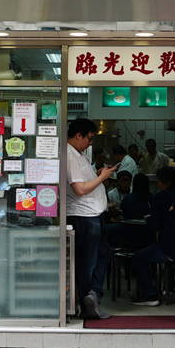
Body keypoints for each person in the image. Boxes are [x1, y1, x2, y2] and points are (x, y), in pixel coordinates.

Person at [66, 117, 116, 320]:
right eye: (89, 138)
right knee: (87, 262)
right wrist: (102, 178)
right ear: (78, 135)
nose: (91, 142)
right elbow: (79, 189)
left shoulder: (78, 154)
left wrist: (97, 174)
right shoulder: (70, 156)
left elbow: (84, 182)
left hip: (93, 215)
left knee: (102, 254)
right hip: (84, 216)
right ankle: (87, 302)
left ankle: (92, 294)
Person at [131, 166, 175, 306]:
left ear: (160, 183)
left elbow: (154, 226)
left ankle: (150, 295)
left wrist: (148, 219)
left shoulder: (160, 197)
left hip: (170, 248)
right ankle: (169, 288)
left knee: (139, 257)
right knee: (170, 256)